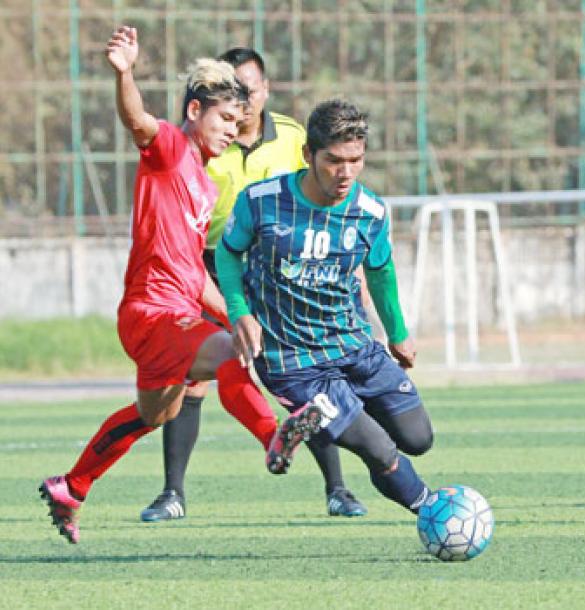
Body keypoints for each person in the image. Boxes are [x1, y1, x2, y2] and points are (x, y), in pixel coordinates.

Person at [38, 26, 298, 544]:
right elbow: (136, 120)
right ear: (196, 110)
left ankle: (72, 485)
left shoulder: (202, 179)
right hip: (154, 313)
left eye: (238, 120)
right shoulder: (171, 148)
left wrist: (234, 312)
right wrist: (125, 72)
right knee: (231, 353)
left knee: (155, 414)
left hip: (171, 312)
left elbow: (193, 271)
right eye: (225, 118)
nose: (232, 130)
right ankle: (274, 440)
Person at [140, 47, 366, 523]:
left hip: (281, 271)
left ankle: (338, 489)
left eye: (253, 88)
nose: (246, 98)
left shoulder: (292, 138)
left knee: (307, 375)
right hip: (210, 266)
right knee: (193, 379)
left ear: (264, 91)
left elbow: (322, 193)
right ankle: (172, 492)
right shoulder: (204, 143)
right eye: (236, 90)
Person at [216, 99, 435, 518]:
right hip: (292, 360)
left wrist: (398, 333)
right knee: (378, 447)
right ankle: (436, 511)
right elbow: (228, 256)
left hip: (354, 346)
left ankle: (333, 414)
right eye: (334, 161)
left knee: (417, 438)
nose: (345, 173)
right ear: (308, 155)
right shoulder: (261, 201)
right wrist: (240, 311)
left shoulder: (370, 211)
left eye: (355, 160)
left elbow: (380, 271)